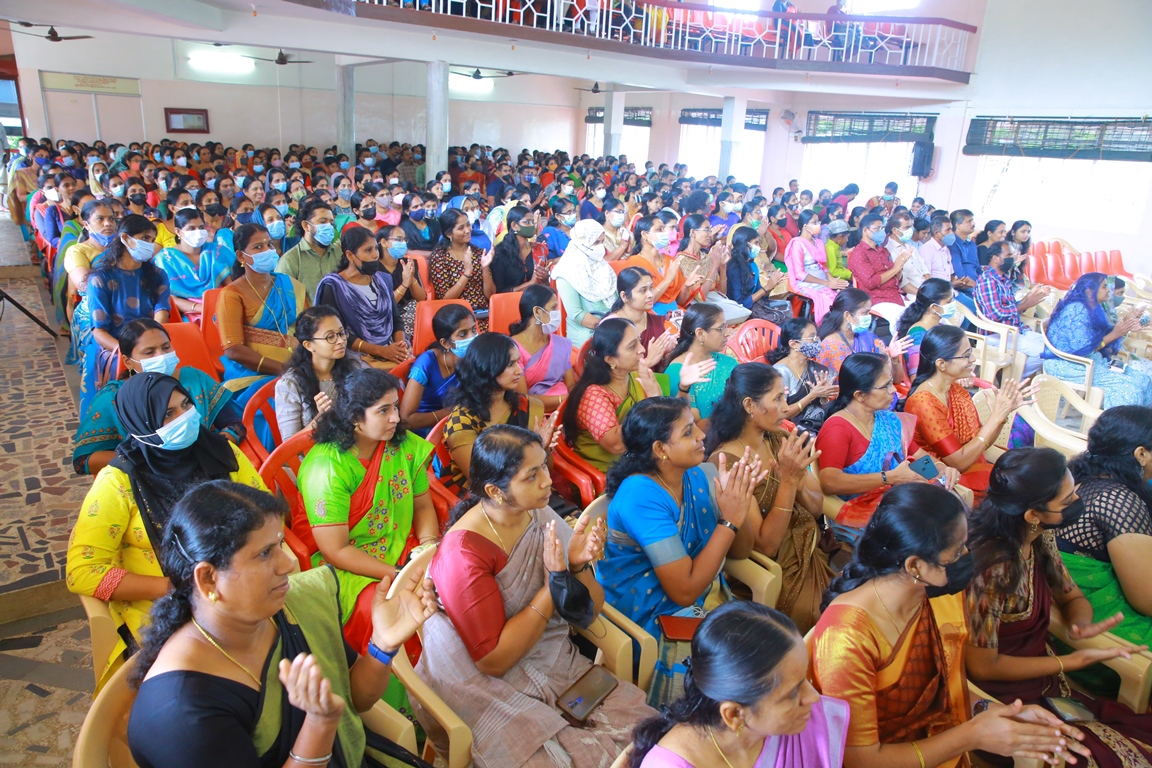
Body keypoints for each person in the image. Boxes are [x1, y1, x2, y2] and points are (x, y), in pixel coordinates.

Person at [125, 480, 438, 768]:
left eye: (279, 545)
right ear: (208, 578)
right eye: (264, 554)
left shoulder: (289, 606)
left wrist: (382, 644)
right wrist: (318, 723)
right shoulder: (179, 711)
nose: (288, 564)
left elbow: (356, 698)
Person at [414, 425, 654, 767]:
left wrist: (577, 566)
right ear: (495, 491)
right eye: (532, 475)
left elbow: (589, 611)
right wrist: (553, 582)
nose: (547, 481)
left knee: (647, 736)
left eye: (544, 466)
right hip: (483, 685)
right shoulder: (463, 554)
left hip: (550, 657)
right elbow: (493, 662)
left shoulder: (536, 513)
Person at [809, 482, 1091, 768]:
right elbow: (861, 760)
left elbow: (947, 688)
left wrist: (998, 712)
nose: (967, 556)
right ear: (915, 566)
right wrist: (972, 736)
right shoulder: (847, 638)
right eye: (956, 553)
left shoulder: (937, 596)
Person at [66, 373, 265, 691]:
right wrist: (172, 587)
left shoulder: (222, 455)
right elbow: (82, 571)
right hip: (165, 606)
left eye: (186, 405)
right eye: (168, 414)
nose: (184, 417)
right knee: (199, 687)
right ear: (141, 424)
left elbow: (264, 515)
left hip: (237, 585)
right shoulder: (119, 481)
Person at [965, 447, 1152, 766]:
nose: (1077, 501)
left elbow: (1071, 597)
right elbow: (983, 667)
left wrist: (1080, 625)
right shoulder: (991, 568)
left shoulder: (1040, 537)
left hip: (1046, 685)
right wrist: (1069, 662)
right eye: (1067, 500)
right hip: (1000, 701)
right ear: (1032, 514)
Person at [598, 396, 762, 706]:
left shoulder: (698, 474)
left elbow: (742, 551)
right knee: (742, 678)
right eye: (688, 432)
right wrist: (728, 521)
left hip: (705, 595)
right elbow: (683, 592)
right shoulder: (641, 495)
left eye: (695, 427)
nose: (701, 435)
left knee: (763, 656)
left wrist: (738, 507)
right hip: (651, 614)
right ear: (660, 449)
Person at [298, 368, 438, 651]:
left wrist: (427, 550)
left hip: (404, 544)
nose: (395, 418)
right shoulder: (327, 468)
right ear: (354, 418)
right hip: (347, 564)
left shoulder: (402, 445)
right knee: (386, 613)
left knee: (446, 586)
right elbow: (335, 550)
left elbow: (423, 505)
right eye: (383, 411)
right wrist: (397, 574)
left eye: (395, 406)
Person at [628, 601, 849, 768]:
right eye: (793, 693)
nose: (813, 697)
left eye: (804, 679)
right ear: (734, 714)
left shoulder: (806, 723)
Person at [705, 364, 832, 632]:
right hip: (774, 567)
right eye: (778, 399)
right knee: (828, 617)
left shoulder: (780, 439)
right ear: (749, 405)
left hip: (809, 548)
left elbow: (816, 508)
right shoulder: (727, 462)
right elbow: (766, 546)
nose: (786, 408)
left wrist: (797, 481)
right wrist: (788, 481)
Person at [815, 353, 960, 544]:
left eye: (891, 382)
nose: (893, 390)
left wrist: (942, 468)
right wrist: (889, 477)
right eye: (885, 386)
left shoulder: (888, 420)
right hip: (859, 514)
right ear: (860, 395)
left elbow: (921, 457)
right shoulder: (837, 428)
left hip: (896, 503)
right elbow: (829, 482)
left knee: (950, 513)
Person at [73, 318, 245, 476]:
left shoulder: (195, 380)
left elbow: (234, 425)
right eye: (149, 352)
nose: (161, 356)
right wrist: (150, 463)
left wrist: (209, 450)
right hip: (144, 480)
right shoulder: (113, 398)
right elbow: (84, 461)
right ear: (128, 361)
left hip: (203, 470)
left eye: (166, 347)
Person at [1059, 406, 1152, 649]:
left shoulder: (1080, 476)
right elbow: (1147, 600)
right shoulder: (1118, 501)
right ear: (1141, 454)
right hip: (1100, 631)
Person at [904, 325, 1031, 501]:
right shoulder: (923, 402)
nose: (972, 360)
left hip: (971, 464)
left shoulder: (957, 391)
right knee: (1019, 486)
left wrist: (1002, 415)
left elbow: (981, 441)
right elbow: (959, 462)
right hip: (943, 477)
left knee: (1027, 472)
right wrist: (996, 417)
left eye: (970, 353)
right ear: (941, 364)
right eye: (965, 355)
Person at [562, 318, 683, 473]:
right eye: (632, 346)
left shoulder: (633, 375)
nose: (642, 349)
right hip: (608, 469)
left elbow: (667, 414)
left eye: (639, 341)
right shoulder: (594, 396)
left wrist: (683, 388)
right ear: (611, 359)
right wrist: (652, 402)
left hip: (637, 456)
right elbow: (616, 445)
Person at [81, 214, 172, 414]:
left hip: (151, 339)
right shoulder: (101, 278)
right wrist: (127, 354)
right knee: (127, 372)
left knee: (168, 360)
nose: (149, 245)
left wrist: (152, 345)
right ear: (125, 238)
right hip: (114, 345)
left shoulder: (157, 275)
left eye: (152, 240)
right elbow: (99, 331)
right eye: (144, 238)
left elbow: (161, 312)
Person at [442, 332, 552, 493]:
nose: (519, 371)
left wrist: (544, 449)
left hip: (532, 489)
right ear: (487, 368)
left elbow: (547, 472)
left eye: (518, 362)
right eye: (510, 364)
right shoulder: (461, 423)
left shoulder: (526, 406)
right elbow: (481, 482)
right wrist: (530, 453)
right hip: (490, 499)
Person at [217, 223, 308, 406]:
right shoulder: (232, 294)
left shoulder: (289, 285)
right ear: (241, 256)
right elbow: (233, 350)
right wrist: (285, 370)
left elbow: (310, 329)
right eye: (258, 247)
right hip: (254, 378)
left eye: (269, 245)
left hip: (299, 366)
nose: (267, 250)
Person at [1042, 272, 1152, 408]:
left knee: (1144, 380)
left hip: (1092, 361)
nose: (1108, 290)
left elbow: (1105, 335)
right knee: (1130, 388)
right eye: (1104, 287)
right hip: (1069, 365)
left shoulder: (1095, 308)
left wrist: (1126, 325)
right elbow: (1082, 349)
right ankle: (1118, 421)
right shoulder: (1076, 310)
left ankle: (1142, 421)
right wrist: (1115, 333)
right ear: (1090, 291)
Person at [316, 227, 408, 370]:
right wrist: (381, 351)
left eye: (376, 248)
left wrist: (400, 347)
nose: (375, 255)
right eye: (368, 250)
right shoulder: (334, 287)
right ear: (350, 255)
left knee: (414, 367)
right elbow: (337, 333)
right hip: (352, 353)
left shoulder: (383, 280)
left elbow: (396, 319)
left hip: (389, 347)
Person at [275, 305, 367, 438]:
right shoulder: (289, 385)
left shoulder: (353, 368)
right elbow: (290, 443)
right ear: (308, 345)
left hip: (353, 442)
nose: (341, 341)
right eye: (330, 337)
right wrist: (321, 417)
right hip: (316, 450)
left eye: (341, 333)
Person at [974, 245, 1051, 378]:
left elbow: (1011, 307)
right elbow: (995, 314)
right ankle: (1013, 380)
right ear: (995, 258)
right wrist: (1024, 304)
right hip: (997, 333)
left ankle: (1013, 378)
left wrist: (1029, 299)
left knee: (1050, 347)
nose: (1012, 259)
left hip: (1015, 330)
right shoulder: (988, 280)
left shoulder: (1003, 279)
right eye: (1008, 256)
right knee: (1042, 352)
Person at [399, 303, 474, 436]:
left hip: (459, 422)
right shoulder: (426, 363)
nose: (472, 337)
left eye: (473, 330)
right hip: (426, 432)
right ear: (445, 343)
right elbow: (407, 420)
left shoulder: (472, 357)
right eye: (462, 334)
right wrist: (452, 412)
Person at [153, 208, 236, 322]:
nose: (198, 232)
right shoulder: (165, 259)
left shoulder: (217, 252)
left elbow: (231, 285)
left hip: (223, 305)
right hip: (188, 314)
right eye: (191, 228)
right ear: (178, 232)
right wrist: (201, 308)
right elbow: (170, 298)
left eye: (201, 227)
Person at [552, 218, 618, 347]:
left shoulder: (602, 266)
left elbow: (616, 299)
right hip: (588, 334)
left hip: (614, 327)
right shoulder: (566, 272)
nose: (601, 247)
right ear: (581, 243)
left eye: (602, 242)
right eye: (596, 242)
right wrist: (610, 330)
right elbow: (576, 314)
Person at [814, 288, 911, 375]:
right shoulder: (831, 347)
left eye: (869, 312)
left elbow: (896, 379)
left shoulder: (867, 337)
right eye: (865, 313)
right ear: (848, 316)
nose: (869, 317)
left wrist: (893, 358)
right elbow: (852, 385)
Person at [766, 317, 838, 433]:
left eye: (817, 337)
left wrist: (823, 397)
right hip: (792, 429)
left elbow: (821, 407)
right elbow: (781, 414)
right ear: (794, 344)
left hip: (816, 422)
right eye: (812, 337)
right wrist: (812, 395)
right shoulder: (781, 372)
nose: (817, 341)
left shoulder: (813, 367)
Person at [509, 284, 575, 411]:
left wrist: (574, 399)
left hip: (567, 409)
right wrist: (563, 399)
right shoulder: (513, 349)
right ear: (537, 312)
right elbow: (523, 399)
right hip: (533, 414)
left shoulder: (560, 344)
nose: (558, 313)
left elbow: (571, 385)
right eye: (554, 308)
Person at [663, 304, 733, 422]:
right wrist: (736, 413)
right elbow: (694, 425)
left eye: (725, 326)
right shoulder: (677, 372)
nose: (727, 333)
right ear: (700, 334)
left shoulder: (727, 362)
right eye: (721, 328)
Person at [429, 208, 495, 331]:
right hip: (457, 318)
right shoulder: (440, 257)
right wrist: (466, 273)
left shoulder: (478, 252)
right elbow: (444, 300)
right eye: (461, 228)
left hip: (483, 314)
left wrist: (485, 268)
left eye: (468, 225)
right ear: (449, 234)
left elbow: (490, 295)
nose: (467, 230)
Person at [846, 214, 912, 332]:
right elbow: (871, 282)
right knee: (903, 319)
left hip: (895, 295)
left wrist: (900, 265)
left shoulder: (883, 250)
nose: (881, 232)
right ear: (865, 230)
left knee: (923, 311)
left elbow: (896, 279)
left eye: (882, 228)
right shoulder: (859, 253)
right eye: (877, 228)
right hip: (877, 299)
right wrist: (895, 269)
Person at [621, 216, 699, 316]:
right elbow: (642, 303)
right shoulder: (634, 263)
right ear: (644, 235)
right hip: (650, 315)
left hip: (675, 313)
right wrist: (667, 280)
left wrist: (686, 287)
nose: (664, 233)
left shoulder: (670, 260)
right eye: (659, 229)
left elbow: (679, 301)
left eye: (664, 229)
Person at [783, 210, 846, 323]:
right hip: (807, 283)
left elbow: (823, 266)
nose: (818, 225)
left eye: (818, 222)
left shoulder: (818, 242)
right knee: (830, 302)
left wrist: (831, 279)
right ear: (805, 225)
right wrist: (826, 283)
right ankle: (827, 327)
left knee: (845, 296)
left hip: (823, 280)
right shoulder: (797, 244)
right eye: (814, 222)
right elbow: (800, 274)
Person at [276, 198, 341, 302]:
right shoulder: (290, 260)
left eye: (331, 223)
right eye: (322, 222)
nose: (329, 226)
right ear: (306, 226)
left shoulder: (339, 254)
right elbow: (283, 301)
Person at [375, 225, 425, 346]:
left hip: (410, 310)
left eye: (404, 240)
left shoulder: (408, 263)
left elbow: (421, 298)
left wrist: (411, 278)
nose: (403, 243)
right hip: (386, 315)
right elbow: (384, 305)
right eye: (398, 239)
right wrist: (404, 284)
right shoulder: (374, 268)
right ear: (384, 242)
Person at [605, 266, 672, 351]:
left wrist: (667, 351)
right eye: (643, 290)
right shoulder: (611, 326)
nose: (650, 295)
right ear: (624, 296)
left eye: (650, 288)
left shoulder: (652, 319)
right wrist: (650, 358)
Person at [895, 277, 954, 372]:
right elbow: (916, 375)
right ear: (934, 307)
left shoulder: (939, 327)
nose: (953, 304)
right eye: (949, 302)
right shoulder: (917, 335)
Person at [490, 205, 548, 293]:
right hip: (509, 300)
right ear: (514, 225)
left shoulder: (539, 249)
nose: (532, 225)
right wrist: (531, 283)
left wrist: (544, 277)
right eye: (527, 222)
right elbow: (499, 291)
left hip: (535, 297)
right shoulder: (500, 253)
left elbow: (545, 283)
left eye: (533, 222)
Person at [947, 209, 981, 289]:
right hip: (962, 287)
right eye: (969, 221)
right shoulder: (952, 244)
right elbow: (959, 274)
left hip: (975, 285)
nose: (973, 223)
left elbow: (978, 268)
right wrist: (976, 287)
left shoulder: (972, 244)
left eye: (972, 220)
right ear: (958, 225)